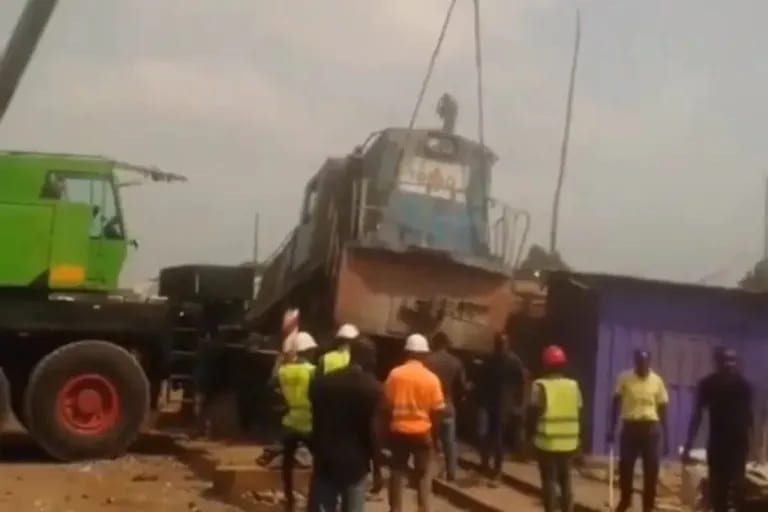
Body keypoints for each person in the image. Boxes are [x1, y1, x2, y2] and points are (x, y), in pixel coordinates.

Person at [308, 337, 383, 512]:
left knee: (323, 507)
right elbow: (374, 431)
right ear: (368, 357)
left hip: (325, 457)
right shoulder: (374, 388)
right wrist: (377, 467)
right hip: (355, 464)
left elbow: (316, 418)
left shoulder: (322, 383)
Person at [682, 347, 753, 512]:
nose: (729, 364)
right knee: (718, 487)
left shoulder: (743, 386)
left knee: (738, 486)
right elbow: (697, 415)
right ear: (717, 362)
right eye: (725, 360)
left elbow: (750, 416)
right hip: (717, 443)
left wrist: (754, 443)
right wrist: (688, 444)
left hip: (738, 444)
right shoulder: (707, 385)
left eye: (733, 360)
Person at [384, 333, 445, 512]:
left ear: (407, 352)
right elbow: (438, 410)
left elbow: (386, 405)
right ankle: (423, 508)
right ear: (424, 355)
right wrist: (435, 435)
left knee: (397, 471)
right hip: (422, 432)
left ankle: (395, 509)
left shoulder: (395, 374)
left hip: (399, 431)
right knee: (423, 475)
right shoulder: (432, 379)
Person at [607, 350, 669, 512]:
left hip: (650, 429)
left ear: (649, 362)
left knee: (651, 470)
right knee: (626, 467)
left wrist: (666, 436)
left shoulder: (657, 381)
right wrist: (611, 428)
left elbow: (663, 408)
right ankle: (625, 499)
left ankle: (647, 505)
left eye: (645, 362)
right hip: (630, 428)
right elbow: (616, 403)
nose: (642, 365)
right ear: (635, 362)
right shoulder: (624, 378)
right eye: (639, 362)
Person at [527, 345, 582, 512]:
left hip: (547, 442)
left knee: (549, 481)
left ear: (545, 365)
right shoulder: (573, 386)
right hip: (569, 443)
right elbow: (580, 412)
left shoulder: (539, 386)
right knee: (566, 481)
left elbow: (533, 414)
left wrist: (529, 437)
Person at [277, 331, 317, 512]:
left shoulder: (284, 370)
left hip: (290, 420)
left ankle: (289, 499)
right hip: (308, 422)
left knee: (287, 464)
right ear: (308, 350)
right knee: (320, 462)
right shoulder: (312, 371)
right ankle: (313, 500)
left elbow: (272, 387)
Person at [477, 332, 526, 482]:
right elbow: (483, 380)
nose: (500, 346)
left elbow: (522, 383)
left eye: (503, 343)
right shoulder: (491, 359)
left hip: (504, 405)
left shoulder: (513, 361)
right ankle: (485, 463)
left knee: (498, 439)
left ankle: (497, 470)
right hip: (488, 403)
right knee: (483, 434)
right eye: (498, 343)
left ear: (507, 344)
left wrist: (519, 404)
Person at [424, 331, 468, 482]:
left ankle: (429, 472)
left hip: (431, 408)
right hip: (448, 406)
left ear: (434, 344)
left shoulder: (427, 361)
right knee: (449, 442)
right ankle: (451, 472)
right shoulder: (456, 362)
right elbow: (462, 387)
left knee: (431, 441)